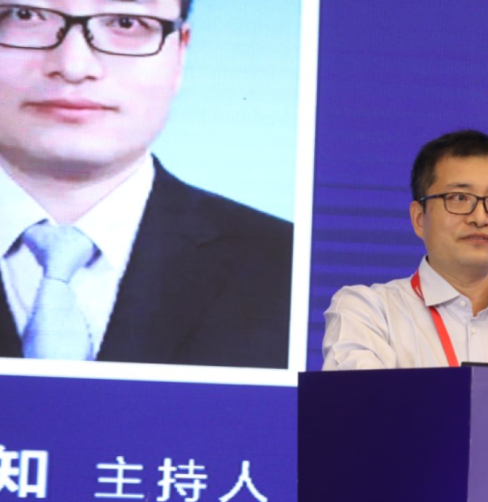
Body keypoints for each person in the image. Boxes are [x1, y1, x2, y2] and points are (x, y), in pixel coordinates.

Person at [0, 0, 292, 368]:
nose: (73, 66)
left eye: (126, 22)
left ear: (180, 52)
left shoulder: (293, 269)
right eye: (24, 15)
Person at [322, 129, 488, 370]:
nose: (480, 218)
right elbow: (361, 396)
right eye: (459, 198)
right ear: (419, 218)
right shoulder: (370, 312)